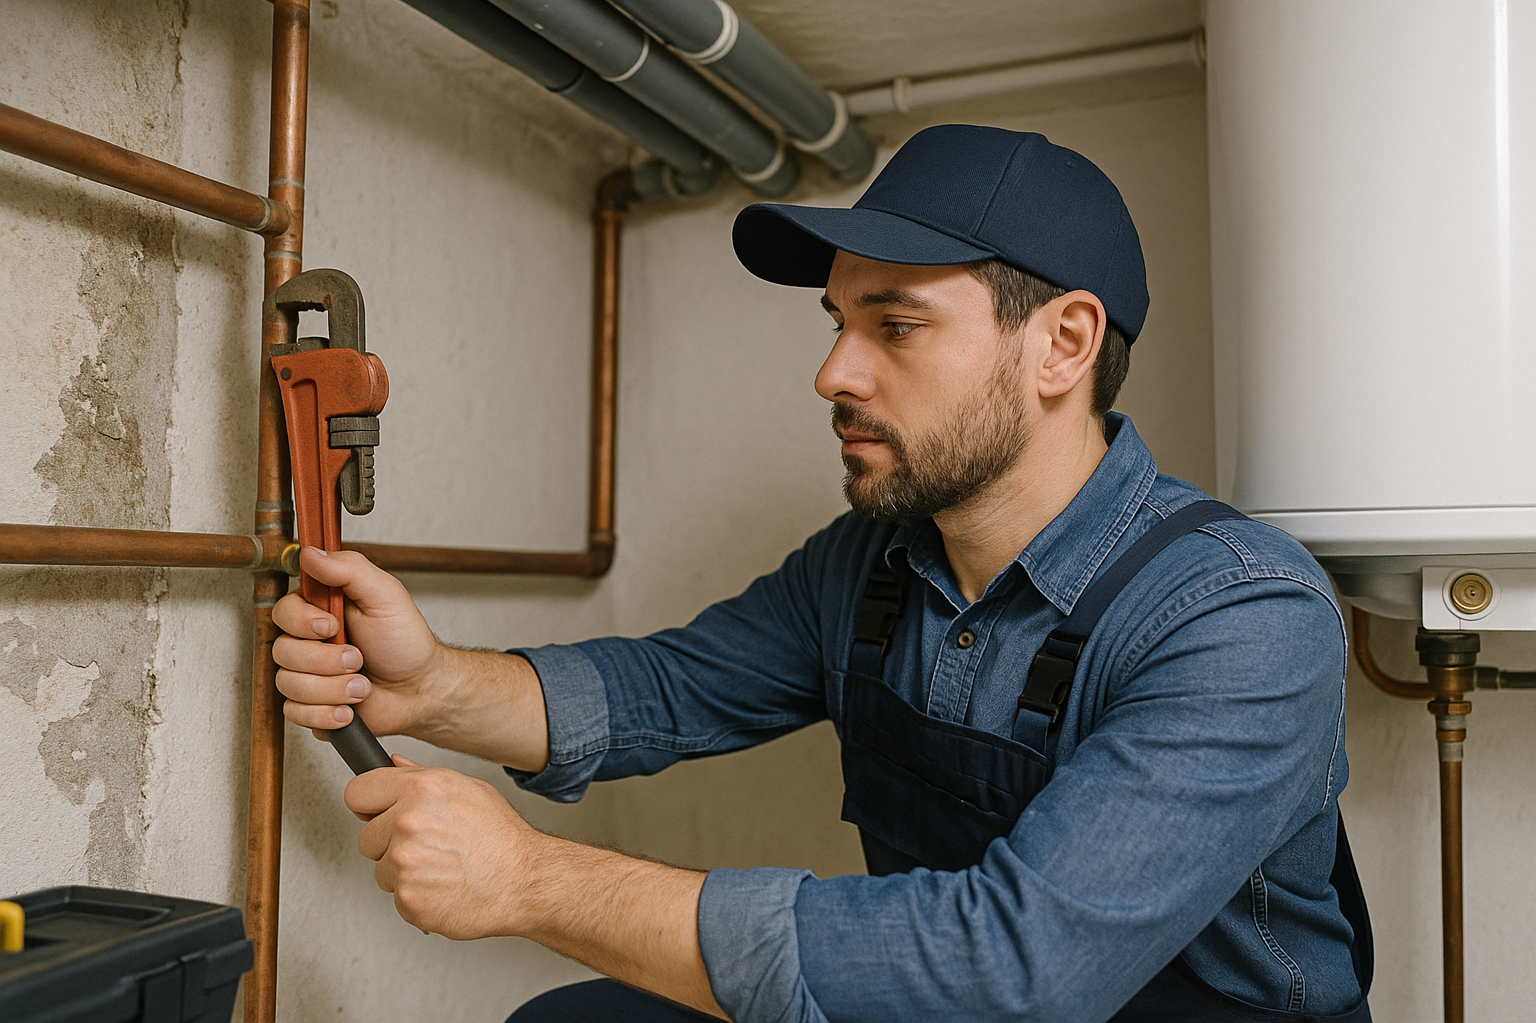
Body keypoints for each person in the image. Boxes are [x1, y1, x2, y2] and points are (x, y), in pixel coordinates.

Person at [271, 125, 1371, 1023]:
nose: (833, 372)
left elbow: (1012, 970)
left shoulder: (1237, 612)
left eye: (895, 325)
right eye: (842, 322)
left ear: (1064, 345)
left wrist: (531, 880)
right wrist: (430, 687)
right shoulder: (876, 563)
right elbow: (664, 690)